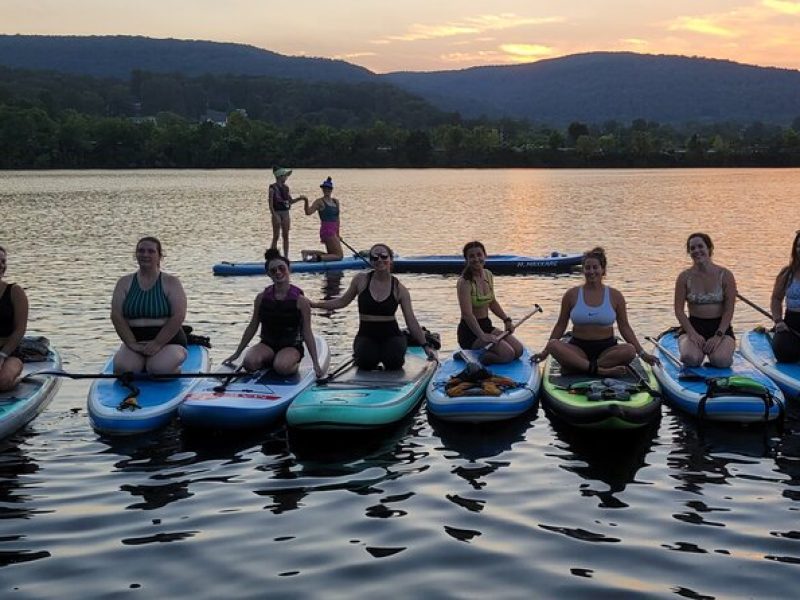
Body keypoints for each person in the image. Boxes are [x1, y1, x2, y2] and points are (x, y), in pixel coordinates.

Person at [310, 243, 436, 369]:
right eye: (375, 258)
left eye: (383, 256)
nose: (379, 260)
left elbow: (411, 320)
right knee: (366, 363)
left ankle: (398, 347)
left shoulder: (399, 289)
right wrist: (315, 305)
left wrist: (425, 346)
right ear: (371, 261)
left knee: (393, 362)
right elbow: (342, 302)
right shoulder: (360, 280)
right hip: (366, 335)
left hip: (391, 336)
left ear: (390, 259)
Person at [534, 247, 656, 375]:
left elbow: (624, 327)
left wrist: (642, 354)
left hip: (607, 349)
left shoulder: (615, 296)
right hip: (578, 347)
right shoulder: (571, 295)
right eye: (587, 268)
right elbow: (560, 325)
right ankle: (600, 371)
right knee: (553, 345)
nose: (591, 271)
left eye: (595, 267)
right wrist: (544, 353)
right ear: (583, 270)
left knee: (630, 350)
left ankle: (579, 366)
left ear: (603, 270)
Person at [224, 249, 324, 378]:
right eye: (273, 270)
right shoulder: (261, 298)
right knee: (249, 363)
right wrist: (237, 353)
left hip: (291, 346)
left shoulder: (301, 301)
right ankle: (269, 360)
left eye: (281, 268)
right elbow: (252, 326)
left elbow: (307, 332)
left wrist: (316, 363)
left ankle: (288, 363)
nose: (278, 272)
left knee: (282, 367)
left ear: (289, 270)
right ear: (269, 275)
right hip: (267, 344)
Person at [110, 237, 188, 375]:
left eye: (151, 251)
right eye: (141, 251)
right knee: (124, 370)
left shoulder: (171, 282)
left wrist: (157, 343)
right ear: (136, 255)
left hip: (168, 340)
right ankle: (141, 362)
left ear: (159, 257)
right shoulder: (124, 282)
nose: (145, 255)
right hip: (135, 340)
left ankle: (173, 368)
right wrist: (131, 343)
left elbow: (178, 315)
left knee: (159, 370)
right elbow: (116, 316)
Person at [674, 232, 736, 368]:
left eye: (700, 246)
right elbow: (678, 310)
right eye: (692, 248)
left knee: (721, 361)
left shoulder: (725, 275)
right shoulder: (684, 277)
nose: (697, 251)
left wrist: (719, 335)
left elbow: (729, 309)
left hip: (720, 328)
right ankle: (689, 347)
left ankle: (721, 353)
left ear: (710, 249)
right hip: (694, 326)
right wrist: (692, 334)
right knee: (690, 359)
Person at [457, 241, 523, 364]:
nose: (476, 259)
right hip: (470, 332)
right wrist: (482, 335)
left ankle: (486, 351)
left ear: (485, 256)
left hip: (486, 325)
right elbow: (467, 315)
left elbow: (492, 302)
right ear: (466, 260)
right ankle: (476, 357)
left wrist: (506, 320)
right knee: (508, 354)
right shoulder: (464, 282)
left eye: (479, 254)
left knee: (518, 350)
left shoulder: (488, 274)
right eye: (471, 256)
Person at [0, 246, 28, 391]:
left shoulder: (15, 292)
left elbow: (20, 330)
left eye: (3, 261)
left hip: (10, 352)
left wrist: (2, 355)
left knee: (2, 381)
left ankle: (18, 379)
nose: (1, 265)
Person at [770, 230, 800, 363]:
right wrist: (778, 321)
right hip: (791, 324)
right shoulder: (786, 273)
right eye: (799, 246)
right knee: (783, 351)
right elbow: (776, 299)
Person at [301, 176, 344, 263]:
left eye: (328, 188)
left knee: (331, 254)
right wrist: (306, 201)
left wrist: (338, 234)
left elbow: (337, 218)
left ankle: (307, 252)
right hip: (327, 230)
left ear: (331, 190)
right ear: (322, 189)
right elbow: (308, 212)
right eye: (325, 188)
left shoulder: (336, 201)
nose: (326, 190)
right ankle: (317, 258)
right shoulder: (319, 202)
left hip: (334, 230)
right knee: (339, 256)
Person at [268, 166, 306, 258]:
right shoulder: (272, 188)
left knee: (286, 235)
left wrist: (300, 199)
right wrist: (274, 215)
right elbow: (270, 204)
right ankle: (271, 257)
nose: (286, 178)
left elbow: (290, 201)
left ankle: (286, 257)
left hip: (285, 213)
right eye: (285, 176)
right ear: (280, 176)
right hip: (276, 213)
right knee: (276, 236)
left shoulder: (286, 188)